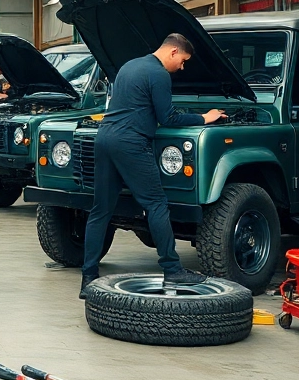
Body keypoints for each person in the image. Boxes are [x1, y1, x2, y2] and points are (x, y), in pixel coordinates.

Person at [80, 33, 226, 299]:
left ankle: (88, 277)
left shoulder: (129, 66)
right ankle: (172, 269)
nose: (182, 68)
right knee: (156, 204)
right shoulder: (159, 74)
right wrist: (205, 117)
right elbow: (168, 118)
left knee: (101, 210)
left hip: (105, 137)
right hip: (130, 143)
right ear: (172, 52)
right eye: (182, 61)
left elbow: (135, 105)